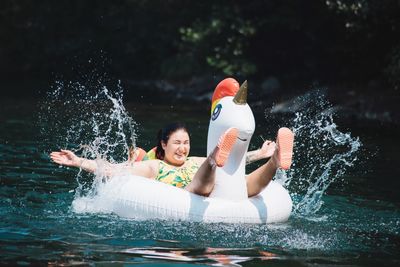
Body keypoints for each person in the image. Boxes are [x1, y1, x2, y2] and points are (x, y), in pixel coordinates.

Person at [50, 122, 294, 197]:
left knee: (246, 185)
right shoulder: (155, 166)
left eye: (186, 143)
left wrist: (258, 154)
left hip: (213, 189)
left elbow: (234, 162)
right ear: (163, 145)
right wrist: (79, 161)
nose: (182, 148)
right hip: (190, 192)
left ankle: (274, 160)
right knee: (203, 182)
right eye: (177, 143)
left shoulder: (191, 161)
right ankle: (213, 159)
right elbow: (116, 170)